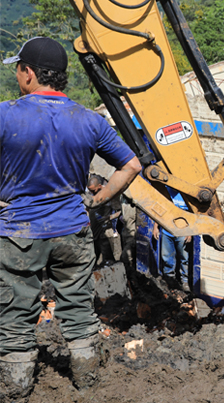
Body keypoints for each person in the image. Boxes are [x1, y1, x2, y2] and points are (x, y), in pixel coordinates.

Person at [0, 36, 141, 397]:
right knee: (78, 308)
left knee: (15, 313)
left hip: (19, 232)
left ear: (29, 73)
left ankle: (15, 391)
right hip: (72, 229)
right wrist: (100, 198)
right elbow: (131, 165)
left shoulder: (6, 114)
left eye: (19, 69)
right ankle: (88, 382)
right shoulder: (88, 120)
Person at [152, 189, 192, 292]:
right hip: (167, 232)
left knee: (184, 258)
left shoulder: (187, 193)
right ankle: (169, 280)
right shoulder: (166, 191)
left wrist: (190, 232)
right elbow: (160, 210)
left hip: (182, 233)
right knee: (167, 257)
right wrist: (156, 227)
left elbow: (192, 214)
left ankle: (185, 281)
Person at [86, 175, 123, 265]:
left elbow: (119, 211)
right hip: (93, 230)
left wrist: (109, 217)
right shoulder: (90, 194)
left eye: (93, 190)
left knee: (107, 256)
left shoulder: (109, 194)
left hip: (105, 231)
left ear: (99, 186)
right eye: (90, 190)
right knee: (93, 256)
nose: (92, 193)